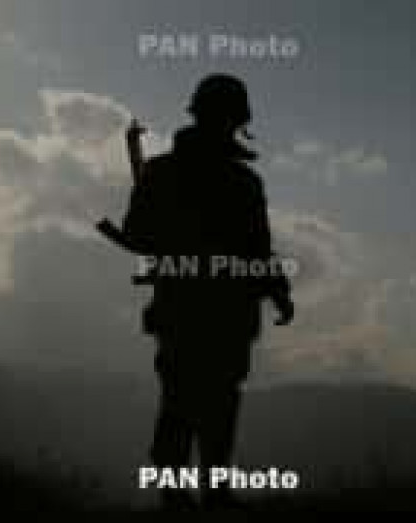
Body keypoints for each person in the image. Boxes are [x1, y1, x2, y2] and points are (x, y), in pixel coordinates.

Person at [121, 73, 294, 509]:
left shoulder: (170, 174)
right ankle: (192, 493)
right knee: (204, 401)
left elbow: (257, 248)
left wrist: (276, 289)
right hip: (213, 309)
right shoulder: (239, 182)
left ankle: (197, 493)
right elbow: (258, 250)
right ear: (237, 120)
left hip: (198, 307)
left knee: (197, 400)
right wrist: (276, 290)